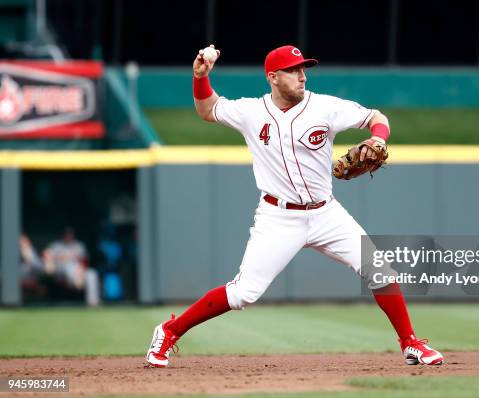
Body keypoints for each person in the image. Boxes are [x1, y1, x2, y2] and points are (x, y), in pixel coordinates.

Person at [145, 45, 443, 367]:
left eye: (303, 69)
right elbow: (207, 109)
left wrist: (379, 138)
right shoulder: (251, 112)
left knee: (379, 268)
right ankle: (169, 331)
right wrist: (200, 77)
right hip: (278, 217)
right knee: (243, 292)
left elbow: (375, 117)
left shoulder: (325, 108)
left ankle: (410, 343)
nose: (302, 76)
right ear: (273, 77)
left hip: (325, 212)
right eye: (293, 70)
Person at [43, 227, 100, 307]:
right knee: (68, 266)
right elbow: (47, 256)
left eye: (70, 234)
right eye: (67, 234)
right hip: (61, 272)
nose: (69, 236)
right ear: (63, 235)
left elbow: (85, 260)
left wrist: (81, 270)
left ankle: (93, 302)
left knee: (92, 273)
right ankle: (76, 282)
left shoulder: (79, 245)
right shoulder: (56, 245)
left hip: (78, 271)